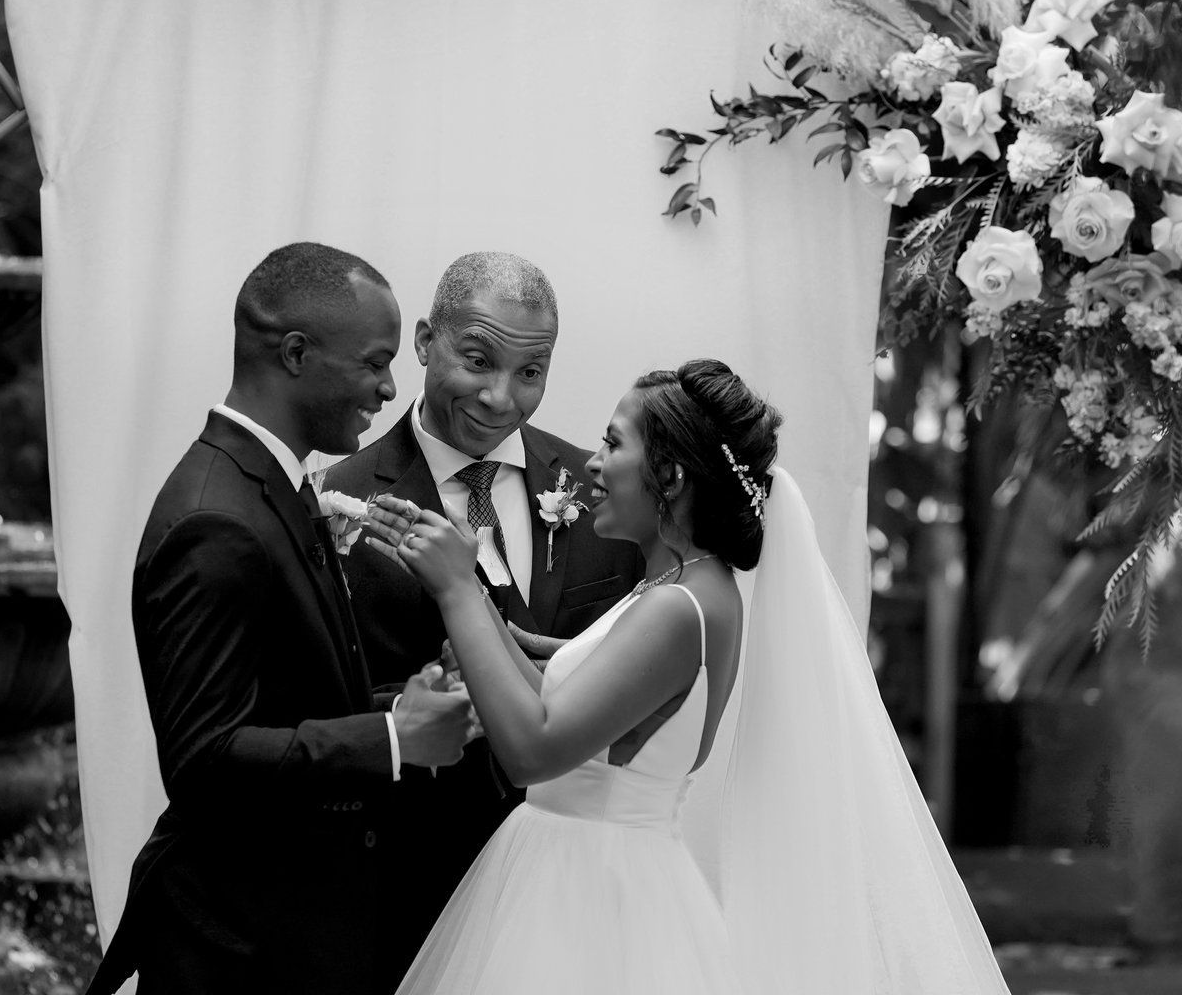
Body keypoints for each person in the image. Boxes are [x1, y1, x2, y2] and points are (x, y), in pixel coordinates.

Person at [364, 359, 1013, 995]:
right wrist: (482, 615)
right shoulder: (679, 585)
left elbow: (534, 750)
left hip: (592, 897)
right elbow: (587, 722)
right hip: (583, 871)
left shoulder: (679, 607)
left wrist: (456, 589)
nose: (591, 463)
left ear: (668, 476)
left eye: (614, 443)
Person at [83, 243, 478, 995]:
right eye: (374, 362)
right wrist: (393, 741)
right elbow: (203, 760)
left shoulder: (270, 485)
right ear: (296, 353)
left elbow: (287, 705)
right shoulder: (216, 519)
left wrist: (402, 705)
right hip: (238, 952)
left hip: (295, 936)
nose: (390, 387)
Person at [324, 251, 641, 982]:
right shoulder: (335, 500)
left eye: (530, 372)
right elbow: (314, 703)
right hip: (408, 907)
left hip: (574, 909)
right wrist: (406, 711)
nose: (502, 397)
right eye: (478, 359)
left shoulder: (604, 497)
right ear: (426, 340)